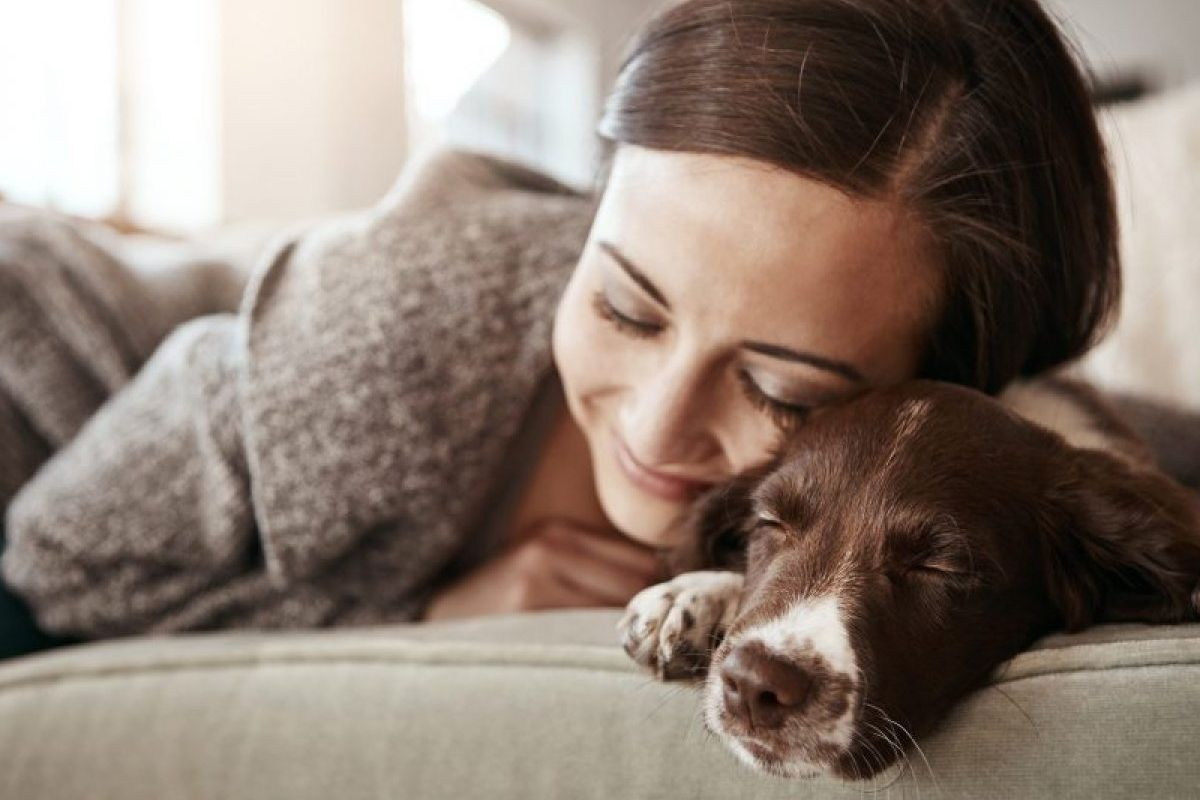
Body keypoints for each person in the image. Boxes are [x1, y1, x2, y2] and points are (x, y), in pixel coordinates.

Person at [0, 0, 1118, 653]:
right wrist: (425, 610)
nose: (658, 422)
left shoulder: (963, 440)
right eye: (625, 306)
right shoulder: (383, 347)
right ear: (592, 213)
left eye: (787, 390)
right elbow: (57, 560)